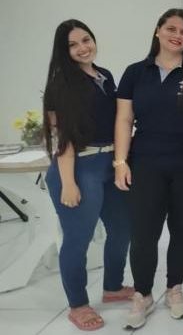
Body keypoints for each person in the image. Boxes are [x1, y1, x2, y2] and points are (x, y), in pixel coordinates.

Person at [114, 8, 183, 329]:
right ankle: (142, 294)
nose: (178, 36)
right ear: (158, 31)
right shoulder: (135, 72)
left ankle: (174, 289)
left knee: (182, 228)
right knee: (143, 233)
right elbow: (124, 118)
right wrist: (120, 161)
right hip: (145, 163)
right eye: (171, 29)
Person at [42, 19, 132, 331]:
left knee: (122, 229)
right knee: (77, 239)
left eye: (86, 40)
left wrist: (121, 161)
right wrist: (68, 182)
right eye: (73, 44)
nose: (83, 48)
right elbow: (62, 139)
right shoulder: (61, 85)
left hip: (110, 163)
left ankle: (112, 287)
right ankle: (78, 305)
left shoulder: (104, 75)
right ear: (63, 51)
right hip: (79, 168)